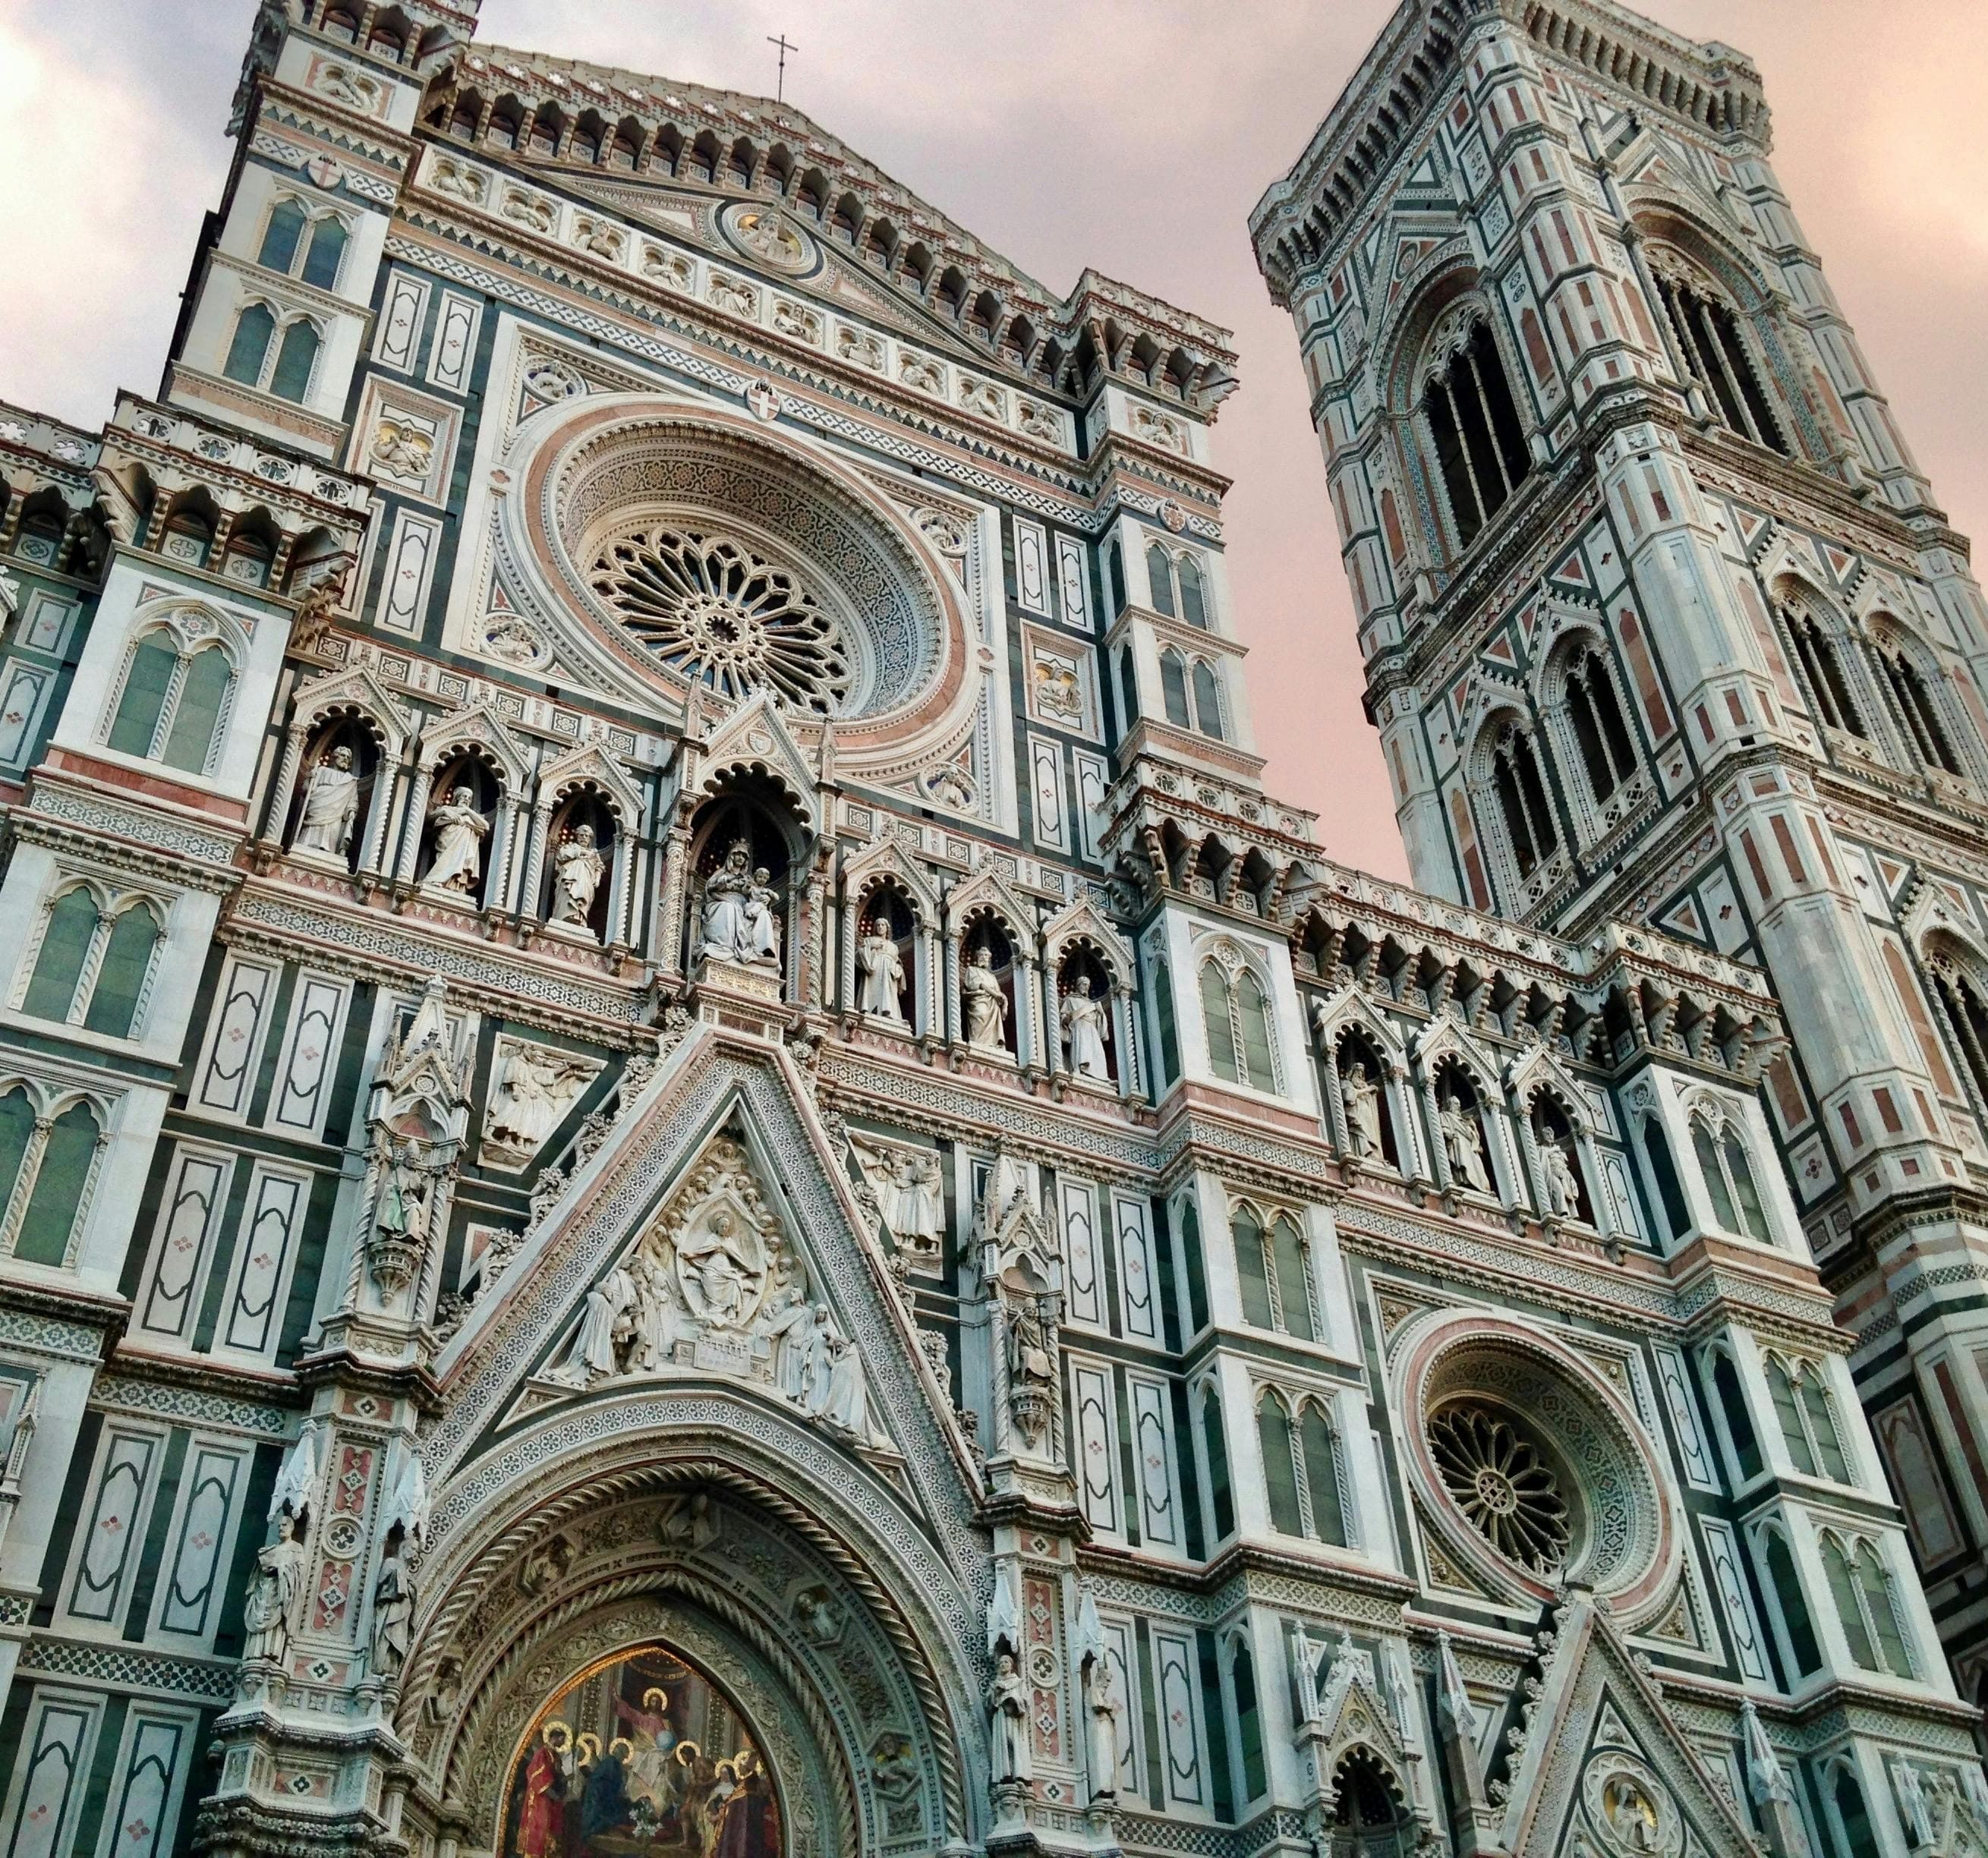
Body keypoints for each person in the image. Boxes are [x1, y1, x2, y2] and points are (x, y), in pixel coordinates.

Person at [244, 1510, 307, 1662]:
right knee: (259, 1620)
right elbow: (257, 1573)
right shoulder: (271, 1550)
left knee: (277, 1624)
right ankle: (256, 1654)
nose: (281, 1528)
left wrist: (280, 1570)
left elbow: (299, 1572)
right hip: (264, 1591)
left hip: (280, 1593)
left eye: (285, 1525)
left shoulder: (296, 1548)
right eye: (279, 1525)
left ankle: (272, 1653)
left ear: (292, 1528)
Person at [294, 744, 359, 860]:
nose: (345, 759)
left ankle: (329, 852)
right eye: (343, 755)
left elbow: (353, 800)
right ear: (334, 757)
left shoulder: (350, 780)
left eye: (348, 757)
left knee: (332, 833)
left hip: (337, 812)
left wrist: (352, 810)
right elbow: (306, 790)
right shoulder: (321, 770)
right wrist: (309, 779)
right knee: (311, 832)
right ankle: (306, 845)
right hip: (318, 805)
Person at [424, 783, 489, 894]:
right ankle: (437, 879)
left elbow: (486, 826)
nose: (467, 800)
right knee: (445, 858)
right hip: (448, 840)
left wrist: (467, 811)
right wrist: (445, 812)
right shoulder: (447, 809)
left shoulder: (471, 815)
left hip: (463, 847)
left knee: (460, 859)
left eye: (469, 798)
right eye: (464, 796)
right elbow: (430, 817)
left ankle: (456, 886)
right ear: (458, 797)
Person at [551, 824, 604, 929]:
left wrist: (597, 879)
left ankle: (579, 918)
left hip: (585, 880)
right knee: (568, 896)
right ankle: (564, 916)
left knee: (582, 897)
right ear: (577, 836)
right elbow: (561, 856)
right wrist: (577, 853)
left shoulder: (593, 852)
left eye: (587, 836)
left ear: (590, 838)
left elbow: (599, 866)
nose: (584, 838)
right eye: (582, 835)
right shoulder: (571, 847)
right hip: (570, 878)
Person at [856, 915, 905, 1019]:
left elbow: (898, 963)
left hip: (888, 972)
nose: (880, 927)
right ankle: (869, 1010)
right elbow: (859, 954)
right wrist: (871, 947)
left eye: (883, 925)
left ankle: (888, 1012)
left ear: (887, 929)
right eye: (878, 925)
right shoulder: (869, 940)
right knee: (873, 991)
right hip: (874, 969)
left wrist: (898, 969)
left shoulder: (893, 947)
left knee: (887, 992)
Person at [1060, 980, 1110, 1080]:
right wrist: (1069, 1018)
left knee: (1098, 1051)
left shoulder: (1092, 1004)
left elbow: (1101, 1027)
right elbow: (1063, 1016)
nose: (1086, 987)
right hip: (1079, 1026)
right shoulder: (1070, 1000)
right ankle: (1080, 1070)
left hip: (1092, 1029)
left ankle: (1101, 1076)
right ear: (1078, 986)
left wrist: (1101, 1013)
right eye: (1084, 984)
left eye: (1088, 985)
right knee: (1082, 1049)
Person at [962, 945, 1008, 1050]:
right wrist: (994, 993)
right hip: (979, 999)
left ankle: (992, 1044)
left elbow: (1000, 994)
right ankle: (978, 1042)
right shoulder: (972, 969)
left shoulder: (992, 977)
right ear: (977, 957)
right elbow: (975, 984)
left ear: (989, 959)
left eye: (986, 955)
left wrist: (1005, 1006)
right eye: (981, 955)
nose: (983, 957)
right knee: (980, 1013)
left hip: (993, 1004)